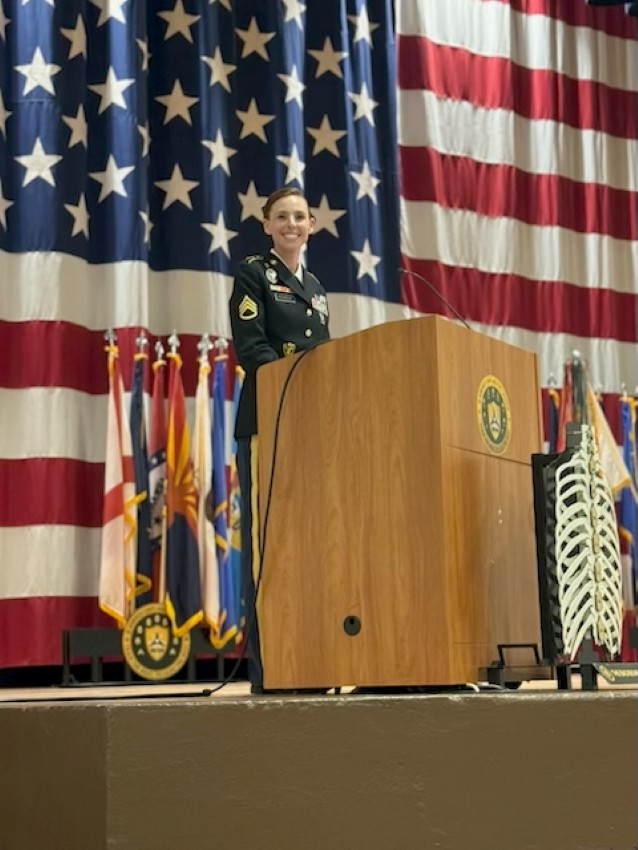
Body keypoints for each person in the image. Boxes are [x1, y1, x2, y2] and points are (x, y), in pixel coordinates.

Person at [229, 187, 330, 692]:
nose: (292, 224)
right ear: (266, 225)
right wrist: (294, 392)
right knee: (267, 544)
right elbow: (253, 349)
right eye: (282, 216)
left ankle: (311, 660)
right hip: (267, 421)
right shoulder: (254, 273)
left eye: (299, 216)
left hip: (310, 429)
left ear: (312, 225)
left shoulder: (315, 287)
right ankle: (271, 668)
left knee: (311, 542)